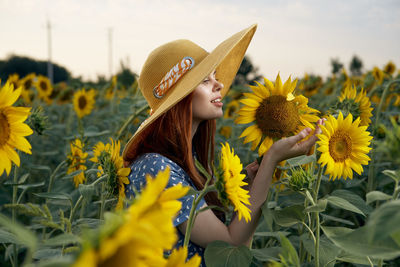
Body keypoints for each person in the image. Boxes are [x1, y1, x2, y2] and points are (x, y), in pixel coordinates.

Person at [122, 24, 323, 265]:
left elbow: (235, 253)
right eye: (205, 80)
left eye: (215, 76)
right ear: (179, 98)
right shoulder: (157, 168)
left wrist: (246, 188)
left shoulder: (186, 160)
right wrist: (271, 160)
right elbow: (229, 243)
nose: (218, 85)